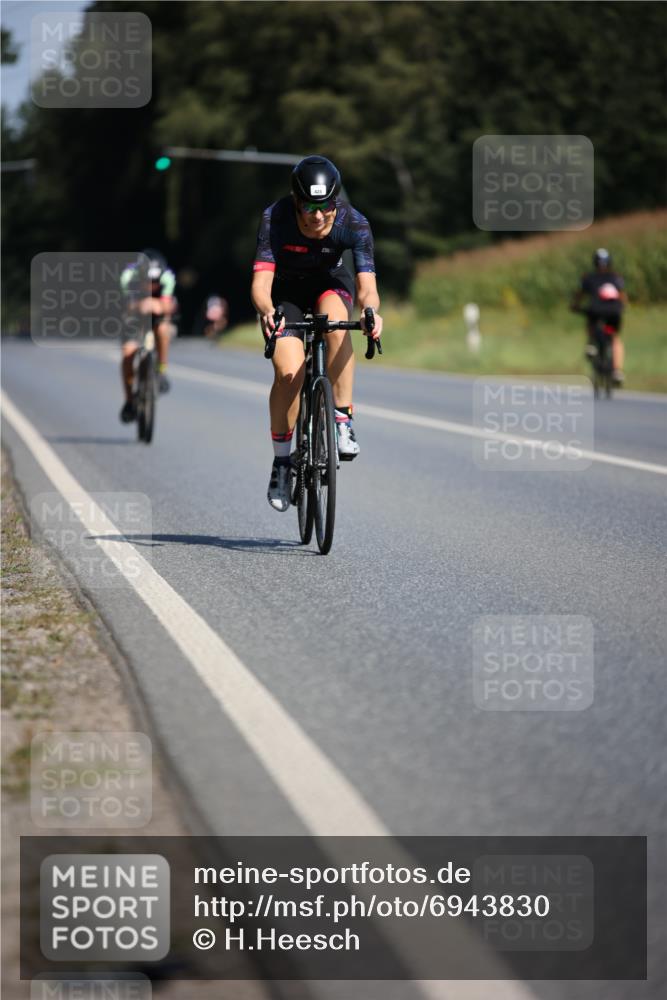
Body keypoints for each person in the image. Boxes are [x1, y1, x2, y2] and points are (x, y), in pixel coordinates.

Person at [250, 155, 383, 512]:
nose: (318, 215)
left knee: (338, 322)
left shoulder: (354, 223)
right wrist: (266, 313)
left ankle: (342, 419)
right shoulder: (274, 218)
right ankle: (281, 462)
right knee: (289, 373)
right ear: (296, 201)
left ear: (335, 201)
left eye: (325, 206)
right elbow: (261, 285)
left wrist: (371, 312)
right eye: (309, 206)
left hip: (330, 285)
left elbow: (367, 286)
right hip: (286, 294)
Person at [118, 249, 177, 422]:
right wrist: (140, 305)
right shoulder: (128, 277)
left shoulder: (167, 277)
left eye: (155, 282)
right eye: (147, 281)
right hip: (133, 314)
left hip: (156, 313)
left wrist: (157, 304)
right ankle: (129, 401)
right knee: (128, 353)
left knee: (163, 329)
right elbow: (126, 305)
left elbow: (167, 306)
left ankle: (162, 369)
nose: (151, 285)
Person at [571, 248, 628, 385]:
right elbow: (623, 297)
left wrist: (575, 306)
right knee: (614, 338)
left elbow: (580, 295)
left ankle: (591, 344)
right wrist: (622, 308)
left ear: (595, 263)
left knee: (591, 323)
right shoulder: (616, 278)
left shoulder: (588, 278)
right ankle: (617, 371)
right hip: (614, 313)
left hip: (596, 312)